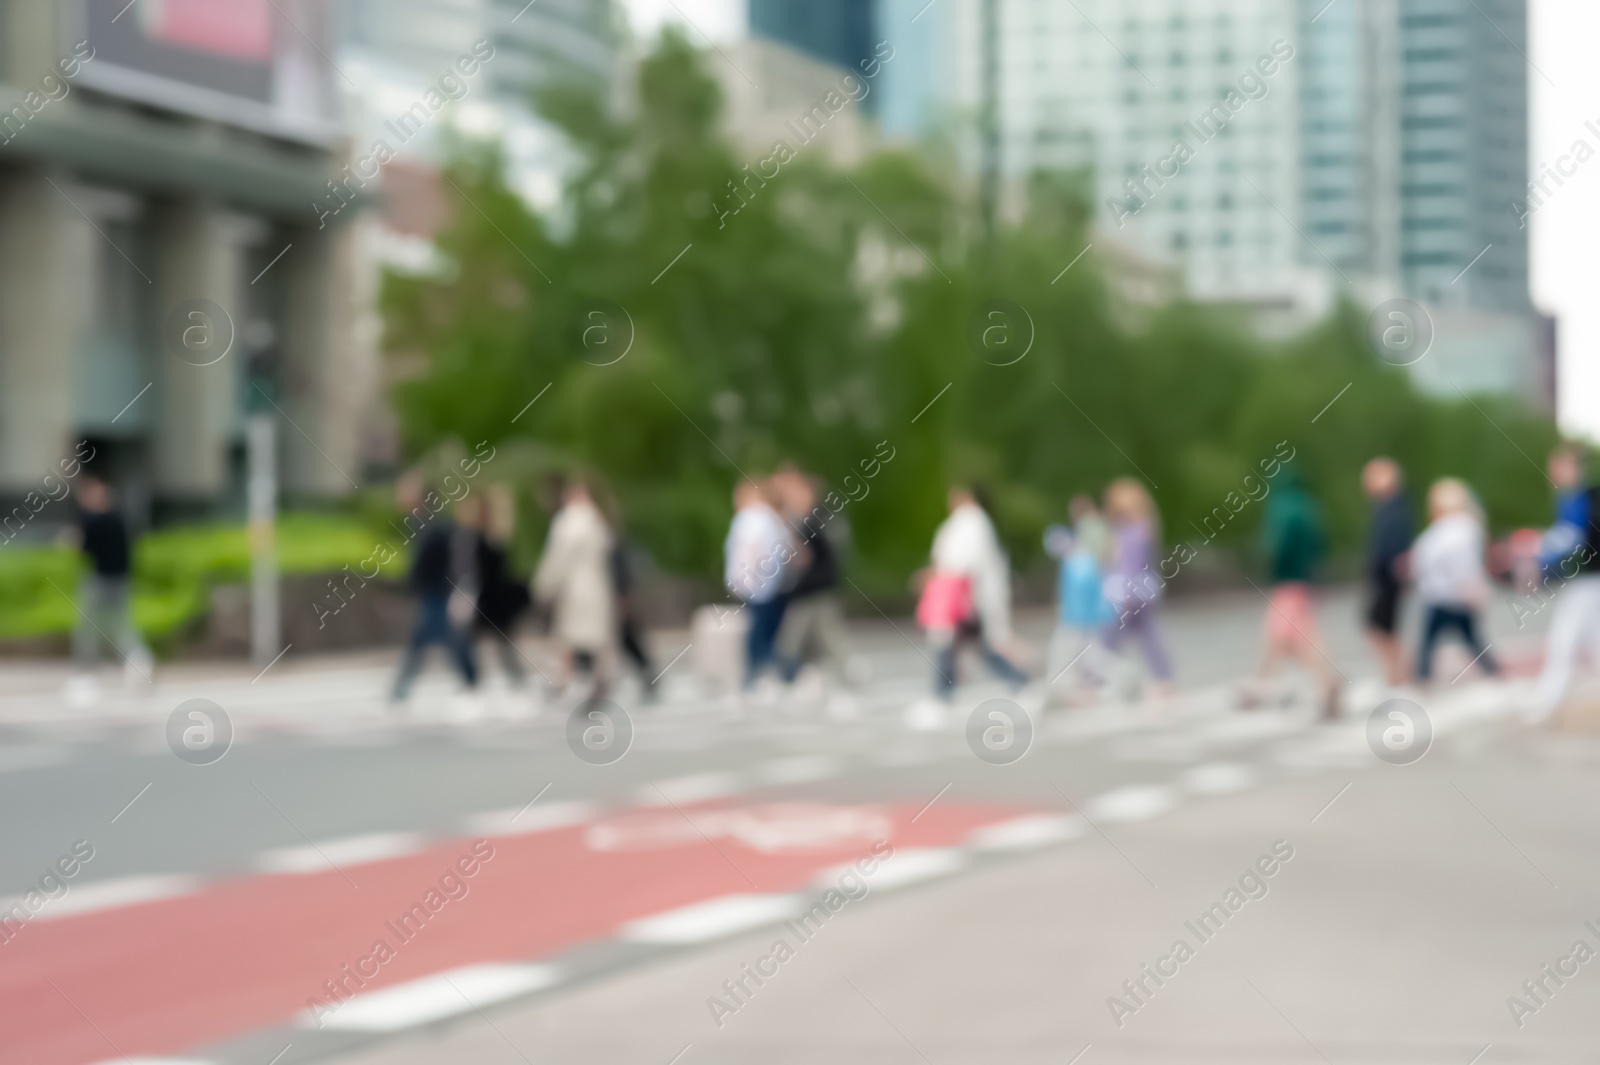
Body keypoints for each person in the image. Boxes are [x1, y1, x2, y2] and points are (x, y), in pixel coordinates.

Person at [916, 485, 1028, 702]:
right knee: (974, 646)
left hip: (963, 596)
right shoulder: (970, 523)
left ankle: (941, 696)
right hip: (966, 595)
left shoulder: (971, 522)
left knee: (950, 644)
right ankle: (1019, 681)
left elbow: (961, 562)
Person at [1246, 467, 1340, 718]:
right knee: (1287, 638)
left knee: (1283, 637)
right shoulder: (1310, 507)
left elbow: (1276, 544)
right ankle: (1263, 686)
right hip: (1305, 581)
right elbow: (1322, 543)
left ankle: (1325, 682)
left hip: (1287, 581)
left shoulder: (1281, 508)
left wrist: (1267, 557)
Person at [391, 475, 479, 702]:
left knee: (436, 641)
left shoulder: (429, 524)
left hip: (438, 592)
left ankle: (470, 682)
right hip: (434, 592)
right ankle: (470, 681)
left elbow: (434, 561)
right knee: (436, 641)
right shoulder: (421, 522)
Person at [1529, 448, 1600, 721]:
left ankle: (1546, 701)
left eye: (1559, 466)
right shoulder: (1568, 497)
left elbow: (1572, 540)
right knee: (1592, 642)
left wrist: (1541, 549)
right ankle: (1547, 700)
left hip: (1586, 582)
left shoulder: (1580, 498)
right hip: (1585, 581)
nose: (1554, 472)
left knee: (1563, 640)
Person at [773, 469, 859, 690]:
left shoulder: (813, 521)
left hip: (816, 590)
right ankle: (813, 679)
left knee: (818, 641)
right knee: (806, 643)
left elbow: (805, 559)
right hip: (811, 590)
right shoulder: (814, 519)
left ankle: (849, 678)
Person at [67, 476, 151, 702]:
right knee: (122, 626)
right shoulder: (121, 520)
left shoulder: (92, 521)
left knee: (87, 628)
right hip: (121, 580)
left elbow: (82, 548)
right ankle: (139, 662)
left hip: (100, 580)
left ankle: (87, 676)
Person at [534, 477, 617, 695]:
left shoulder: (567, 522)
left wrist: (543, 585)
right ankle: (600, 679)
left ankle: (564, 682)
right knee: (596, 638)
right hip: (597, 587)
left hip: (574, 589)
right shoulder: (597, 521)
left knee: (567, 638)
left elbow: (558, 558)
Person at [1412, 478, 1500, 684]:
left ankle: (1422, 679)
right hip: (1450, 594)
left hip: (1445, 594)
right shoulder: (1464, 527)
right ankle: (1494, 672)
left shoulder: (1454, 528)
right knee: (1469, 639)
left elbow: (1460, 564)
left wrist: (1471, 590)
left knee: (1431, 642)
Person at [1100, 478, 1175, 701]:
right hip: (1136, 590)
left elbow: (1131, 564)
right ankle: (1163, 681)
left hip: (1132, 592)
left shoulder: (1136, 529)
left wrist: (1125, 592)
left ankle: (1107, 682)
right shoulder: (1137, 527)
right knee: (1147, 636)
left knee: (1111, 637)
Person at [1041, 494, 1115, 703]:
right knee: (1089, 644)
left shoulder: (1088, 534)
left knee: (1072, 643)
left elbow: (1086, 569)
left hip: (1080, 605)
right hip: (1086, 604)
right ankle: (1095, 682)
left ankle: (1061, 683)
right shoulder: (1094, 533)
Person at [724, 477, 793, 688]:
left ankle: (758, 672)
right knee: (770, 628)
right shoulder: (771, 517)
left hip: (758, 582)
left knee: (759, 629)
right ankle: (773, 670)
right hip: (770, 581)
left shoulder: (751, 518)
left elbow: (748, 551)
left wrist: (741, 579)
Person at [462, 486, 531, 687]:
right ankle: (477, 683)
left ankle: (512, 683)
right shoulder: (476, 537)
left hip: (494, 600)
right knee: (491, 645)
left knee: (501, 645)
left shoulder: (492, 538)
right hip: (487, 599)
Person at [1362, 458, 1412, 687]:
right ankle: (1397, 673)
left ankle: (1399, 674)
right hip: (1383, 576)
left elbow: (1396, 545)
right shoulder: (1385, 507)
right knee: (1382, 627)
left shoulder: (1395, 507)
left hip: (1389, 577)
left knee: (1380, 627)